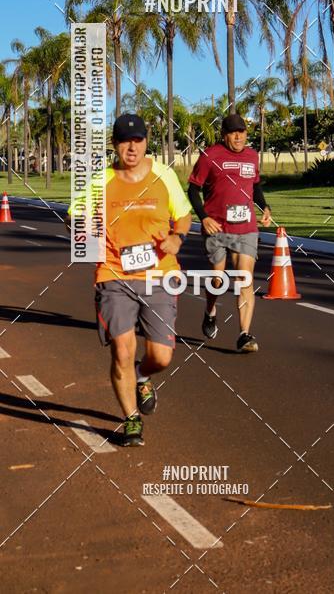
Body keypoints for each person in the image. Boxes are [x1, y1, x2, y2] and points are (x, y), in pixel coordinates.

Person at [67, 114, 192, 447]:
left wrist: (177, 237)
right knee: (122, 349)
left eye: (137, 140)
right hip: (113, 273)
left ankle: (142, 375)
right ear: (115, 144)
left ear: (146, 142)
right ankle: (131, 419)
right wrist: (83, 226)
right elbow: (74, 218)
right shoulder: (100, 180)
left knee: (162, 356)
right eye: (124, 140)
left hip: (159, 274)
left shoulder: (163, 175)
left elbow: (183, 214)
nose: (132, 146)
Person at [187, 113, 271, 353]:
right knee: (218, 279)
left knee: (245, 278)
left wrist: (263, 206)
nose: (238, 136)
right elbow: (193, 190)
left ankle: (244, 334)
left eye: (242, 132)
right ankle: (210, 311)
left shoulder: (252, 156)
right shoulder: (209, 156)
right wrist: (204, 218)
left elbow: (255, 185)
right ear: (224, 135)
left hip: (246, 227)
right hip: (217, 227)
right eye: (233, 132)